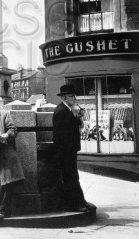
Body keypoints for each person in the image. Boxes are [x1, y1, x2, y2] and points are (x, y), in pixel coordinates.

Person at [53, 84, 90, 212]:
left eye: (74, 95)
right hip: (65, 153)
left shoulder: (68, 109)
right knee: (71, 178)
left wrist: (78, 116)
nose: (74, 98)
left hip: (69, 151)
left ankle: (79, 203)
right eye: (71, 96)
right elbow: (61, 135)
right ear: (64, 98)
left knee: (73, 177)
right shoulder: (61, 111)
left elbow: (75, 125)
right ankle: (77, 205)